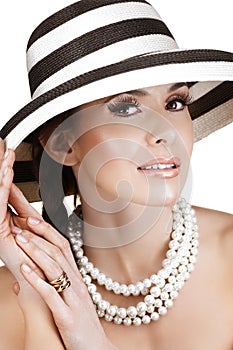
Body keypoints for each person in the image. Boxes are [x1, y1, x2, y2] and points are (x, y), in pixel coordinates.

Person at [0, 1, 232, 349]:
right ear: (64, 143)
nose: (166, 131)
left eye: (175, 103)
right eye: (126, 107)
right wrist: (38, 298)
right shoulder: (13, 300)